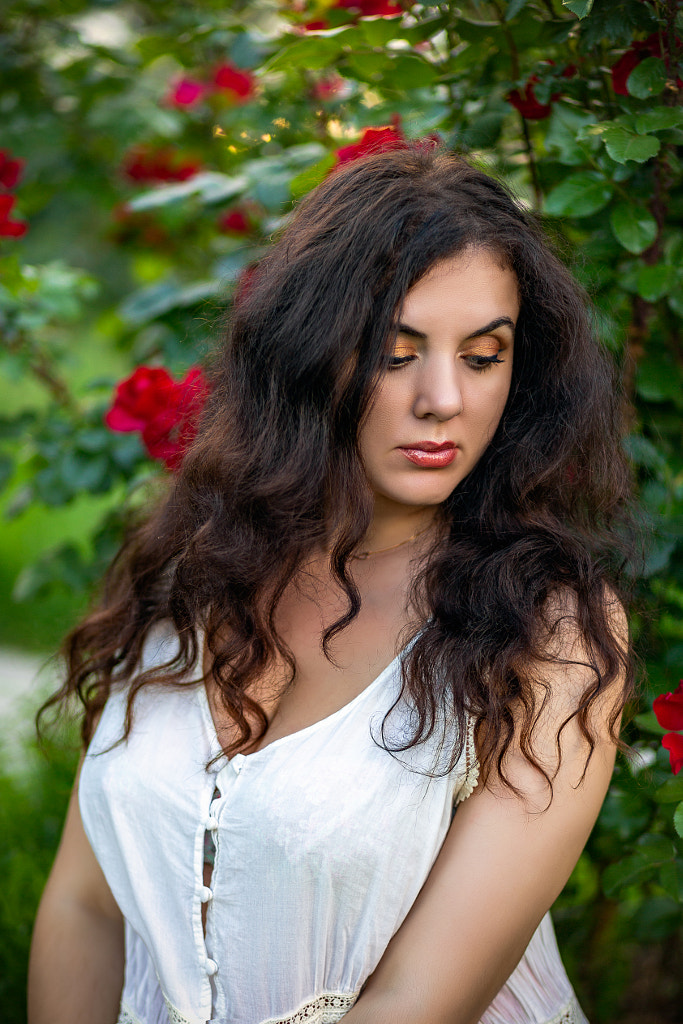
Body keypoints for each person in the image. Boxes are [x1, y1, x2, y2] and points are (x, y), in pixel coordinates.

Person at [28, 148, 634, 1024]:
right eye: (396, 353)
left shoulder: (549, 633)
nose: (442, 399)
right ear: (311, 352)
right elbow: (87, 905)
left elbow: (416, 1001)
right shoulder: (193, 569)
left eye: (482, 355)